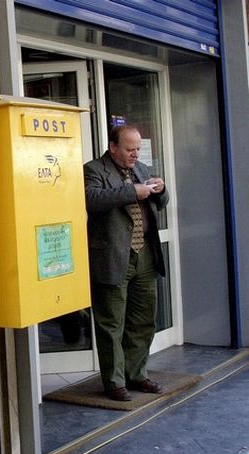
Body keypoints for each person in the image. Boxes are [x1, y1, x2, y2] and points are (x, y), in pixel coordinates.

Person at [84, 124, 169, 401]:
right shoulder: (94, 170)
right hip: (112, 255)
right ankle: (114, 381)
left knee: (143, 319)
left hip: (143, 252)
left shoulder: (141, 169)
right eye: (130, 149)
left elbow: (161, 203)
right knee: (111, 323)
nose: (135, 154)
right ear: (113, 148)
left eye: (138, 149)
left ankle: (137, 374)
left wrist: (161, 189)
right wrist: (133, 192)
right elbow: (91, 199)